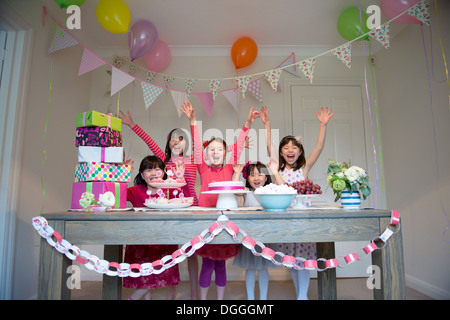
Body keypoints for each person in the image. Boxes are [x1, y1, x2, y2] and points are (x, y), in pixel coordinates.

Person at [180, 101, 260, 300]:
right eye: (212, 149)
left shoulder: (229, 168)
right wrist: (192, 121)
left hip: (224, 220)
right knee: (207, 264)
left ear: (226, 153)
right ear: (206, 154)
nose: (215, 152)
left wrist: (247, 124)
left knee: (220, 265)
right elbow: (197, 146)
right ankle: (203, 301)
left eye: (219, 149)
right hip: (205, 220)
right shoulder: (203, 168)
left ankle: (220, 301)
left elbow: (240, 144)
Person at [119, 111, 200, 299]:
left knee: (191, 250)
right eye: (173, 139)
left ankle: (195, 291)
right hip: (167, 205)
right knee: (168, 246)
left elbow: (197, 143)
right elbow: (149, 142)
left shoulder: (193, 160)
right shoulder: (163, 162)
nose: (177, 142)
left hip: (190, 206)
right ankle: (170, 287)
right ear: (168, 142)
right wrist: (132, 124)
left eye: (181, 138)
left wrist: (193, 121)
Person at [262, 105, 335, 300]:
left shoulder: (303, 168)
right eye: (286, 148)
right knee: (291, 262)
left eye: (294, 147)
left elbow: (319, 147)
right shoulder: (278, 168)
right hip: (286, 221)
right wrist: (267, 124)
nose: (290, 150)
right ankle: (301, 295)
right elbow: (269, 146)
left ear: (300, 151)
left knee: (302, 261)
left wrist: (323, 125)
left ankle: (302, 297)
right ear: (281, 153)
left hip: (303, 221)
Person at [124, 155, 188, 300]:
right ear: (141, 174)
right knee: (144, 277)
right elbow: (116, 197)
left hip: (163, 240)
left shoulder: (170, 190)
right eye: (148, 170)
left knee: (155, 275)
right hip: (140, 242)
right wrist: (123, 175)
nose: (153, 173)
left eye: (157, 169)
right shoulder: (134, 190)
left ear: (164, 172)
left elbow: (186, 199)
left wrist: (180, 179)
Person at [231, 160, 282, 300]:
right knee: (250, 268)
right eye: (252, 175)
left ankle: (263, 298)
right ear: (247, 178)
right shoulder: (247, 192)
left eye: (260, 174)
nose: (256, 178)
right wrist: (236, 173)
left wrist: (275, 171)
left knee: (263, 268)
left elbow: (283, 187)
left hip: (266, 235)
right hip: (250, 236)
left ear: (266, 177)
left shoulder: (270, 190)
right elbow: (234, 190)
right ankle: (251, 298)